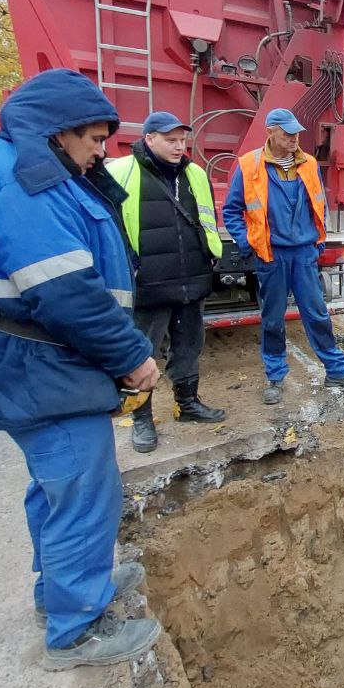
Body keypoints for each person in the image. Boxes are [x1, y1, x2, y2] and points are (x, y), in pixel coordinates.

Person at [0, 68, 162, 670]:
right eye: (93, 141)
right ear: (56, 131)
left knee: (58, 488)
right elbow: (67, 294)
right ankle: (77, 630)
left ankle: (62, 590)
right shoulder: (21, 181)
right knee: (84, 491)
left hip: (33, 362)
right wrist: (133, 357)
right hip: (39, 363)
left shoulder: (22, 166)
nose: (100, 154)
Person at [222, 108, 344, 405]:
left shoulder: (308, 164)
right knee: (272, 319)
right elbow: (231, 211)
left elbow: (320, 205)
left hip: (303, 254)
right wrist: (249, 244)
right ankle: (275, 377)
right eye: (287, 132)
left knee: (317, 313)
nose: (294, 137)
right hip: (272, 256)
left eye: (296, 132)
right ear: (270, 132)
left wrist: (318, 243)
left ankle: (337, 370)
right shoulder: (250, 165)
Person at [106, 111, 226, 453]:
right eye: (170, 140)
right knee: (142, 354)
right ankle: (141, 419)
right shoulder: (121, 173)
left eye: (182, 140)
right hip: (149, 285)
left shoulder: (195, 174)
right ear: (149, 139)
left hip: (192, 280)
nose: (178, 146)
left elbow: (206, 219)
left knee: (188, 348)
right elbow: (111, 230)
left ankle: (187, 404)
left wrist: (210, 255)